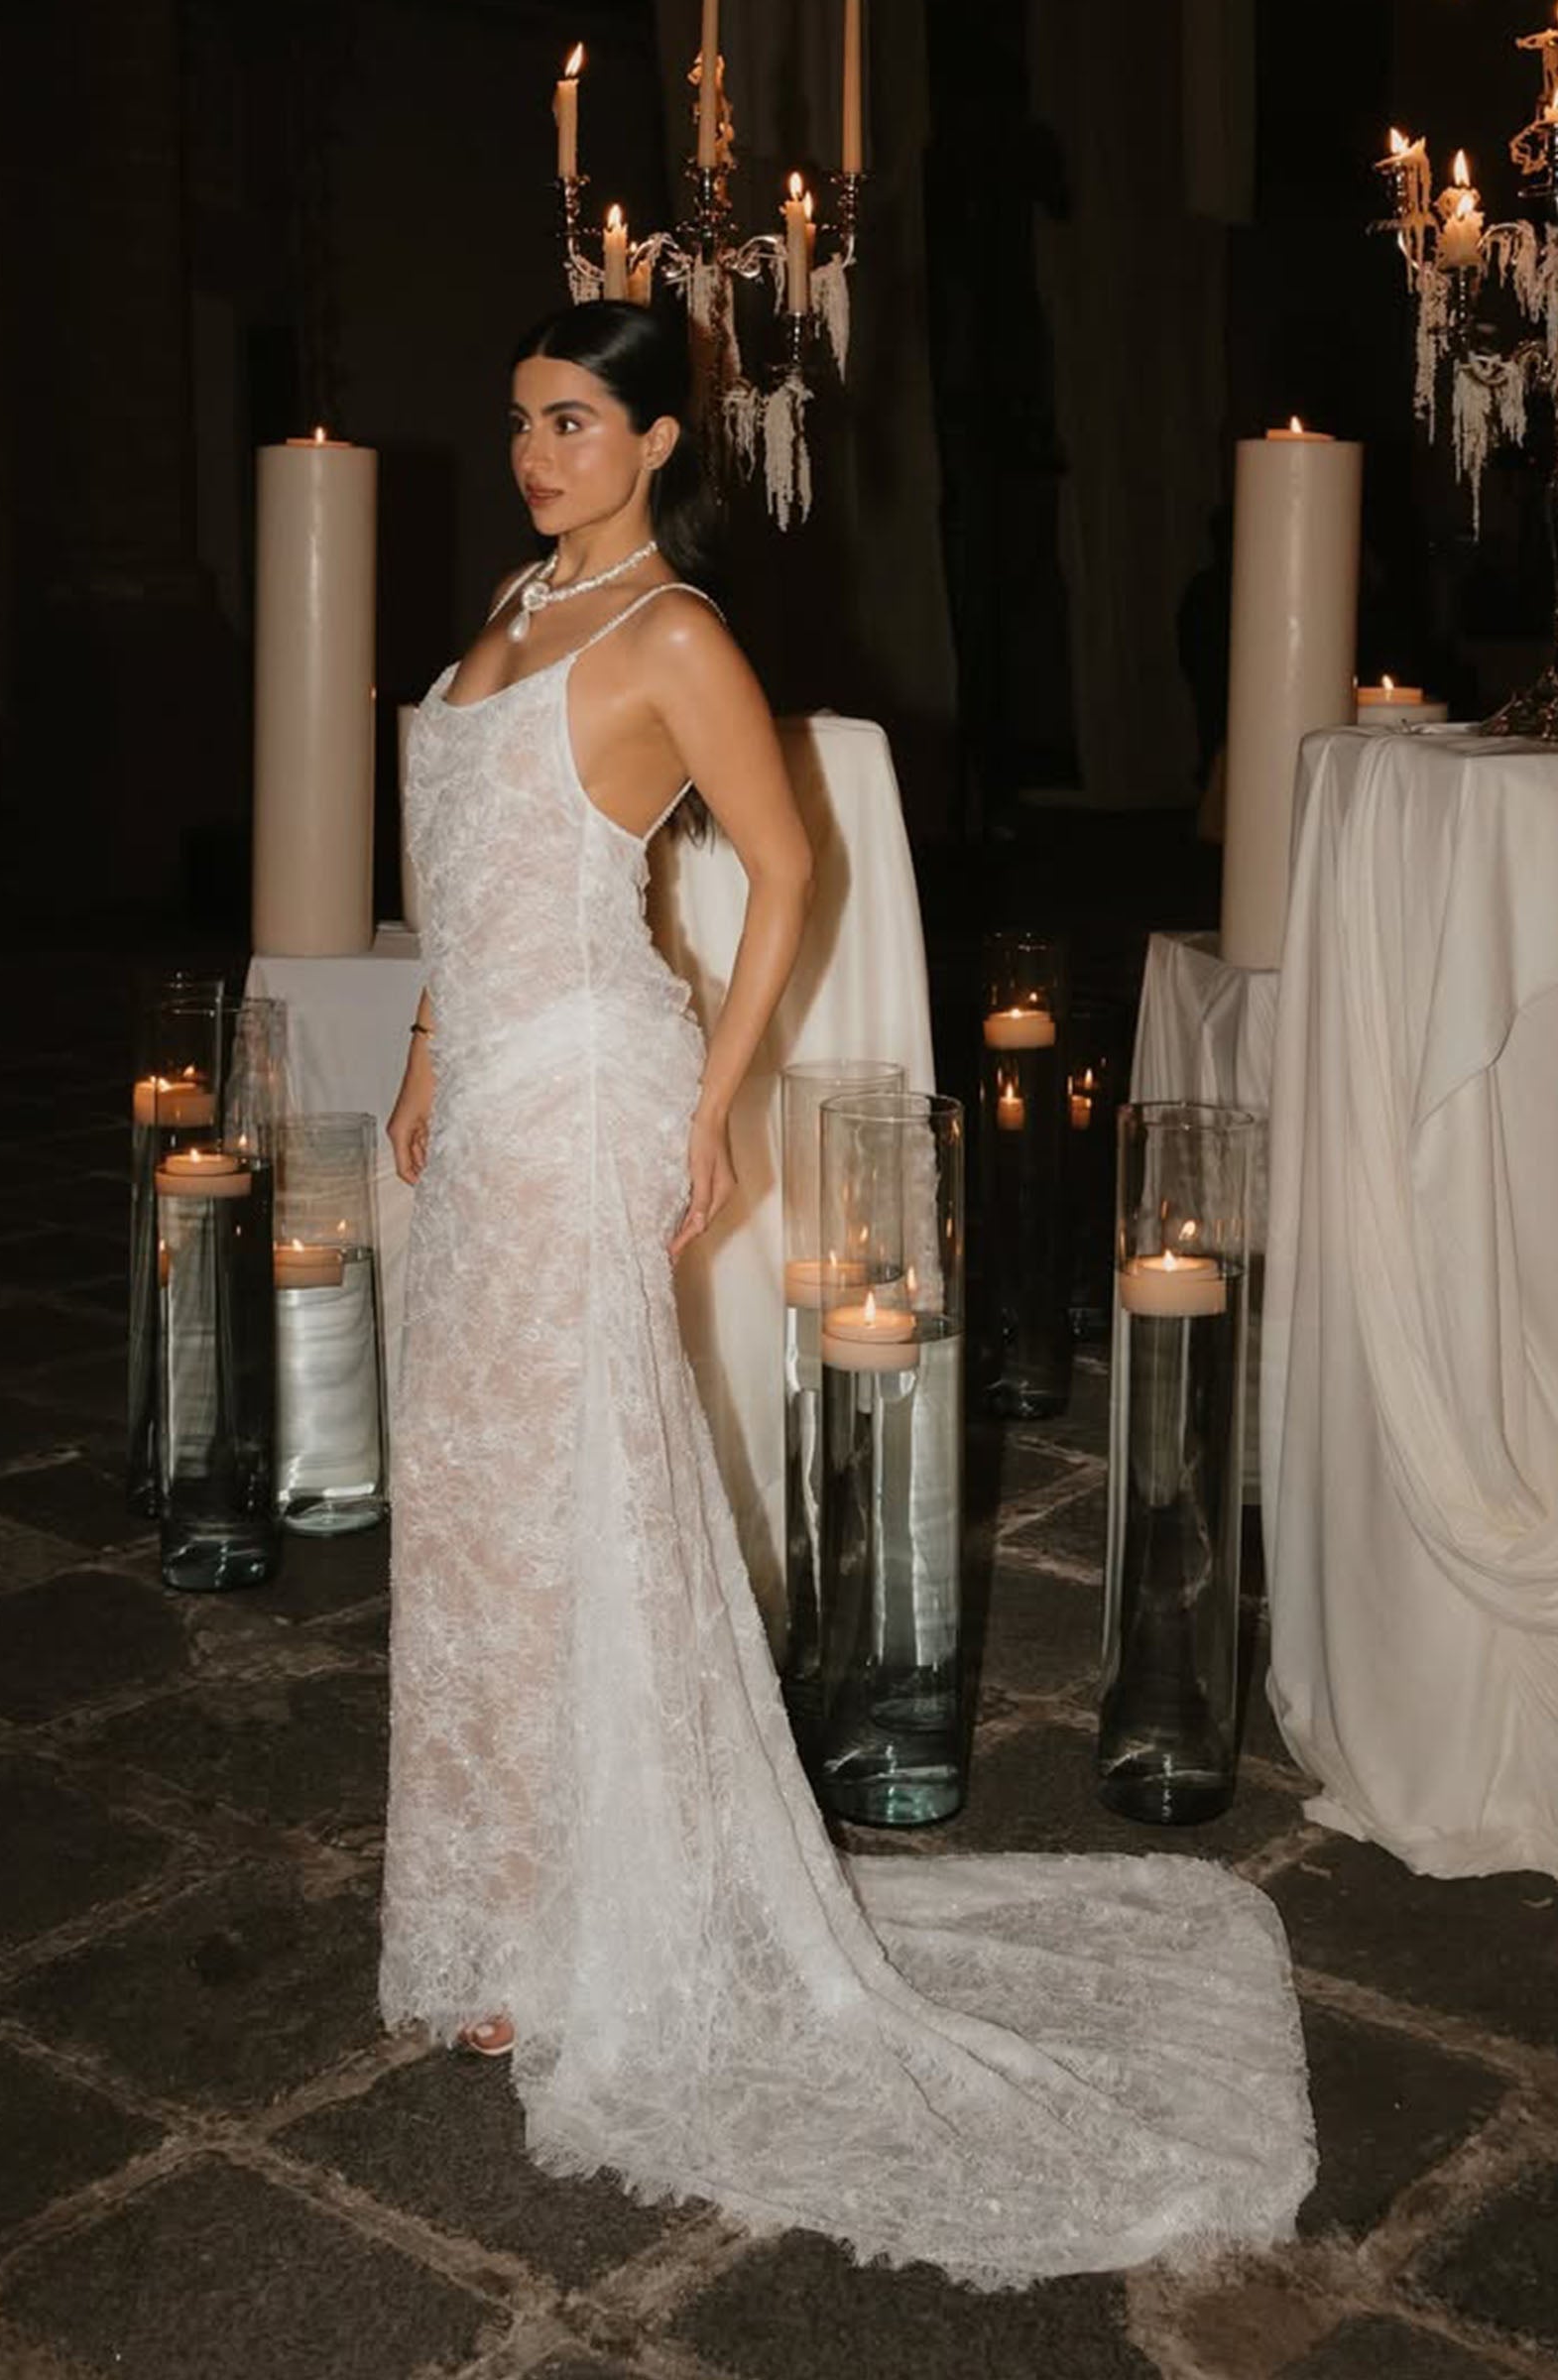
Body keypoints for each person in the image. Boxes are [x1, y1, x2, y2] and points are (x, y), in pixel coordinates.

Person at [378, 299, 1314, 2287]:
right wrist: (427, 1049)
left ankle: (582, 1922)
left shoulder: (672, 635)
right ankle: (497, 1891)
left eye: (571, 422)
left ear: (654, 441)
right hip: (486, 1099)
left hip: (594, 1097)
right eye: (524, 420)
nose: (535, 453)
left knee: (565, 1496)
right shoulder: (512, 604)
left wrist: (712, 1108)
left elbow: (784, 871)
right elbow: (464, 872)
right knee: (469, 1502)